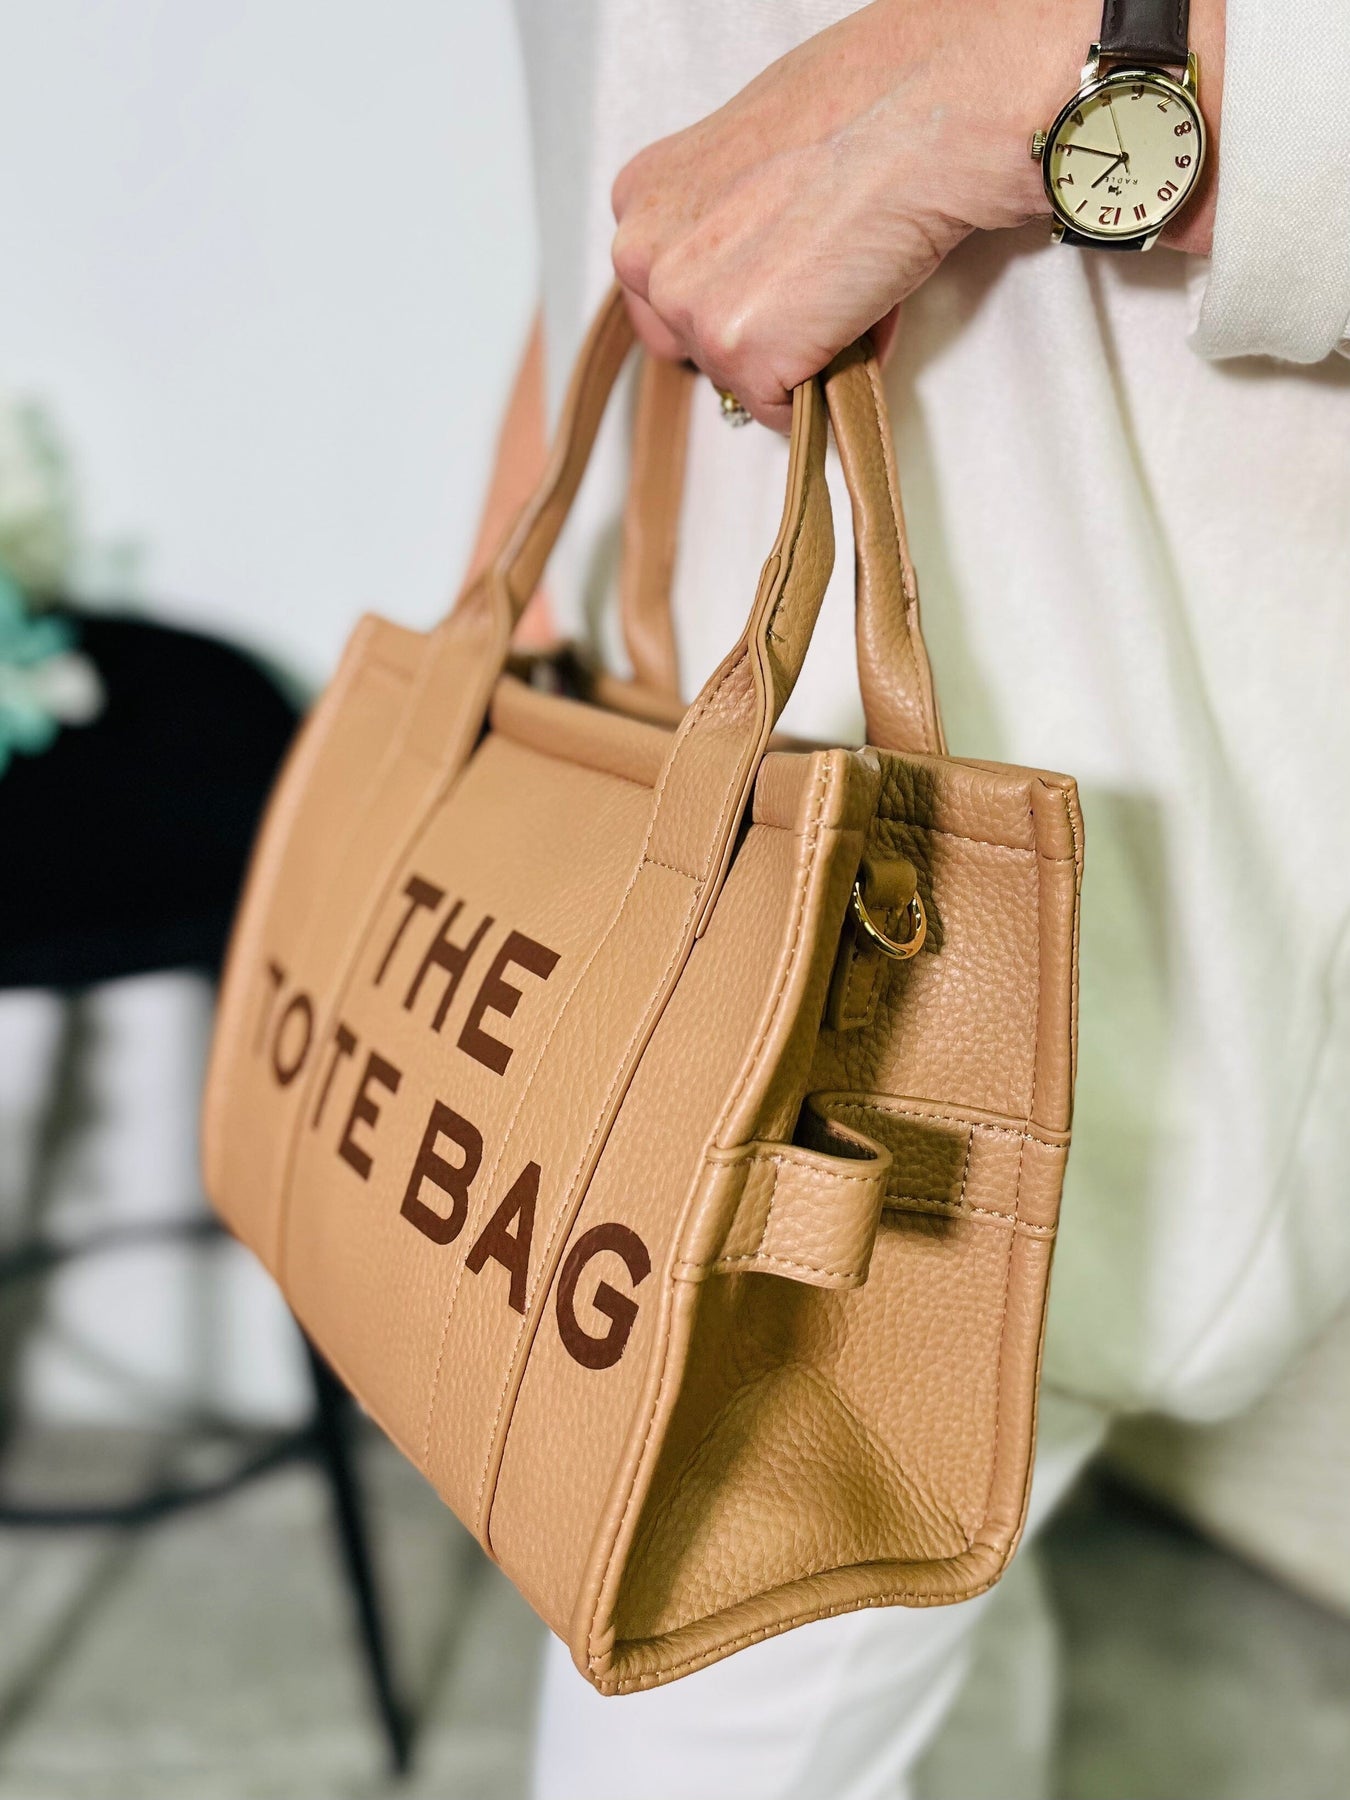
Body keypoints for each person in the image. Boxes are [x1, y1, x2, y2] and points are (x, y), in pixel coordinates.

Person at [507, 2, 1350, 1794]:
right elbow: (623, 132)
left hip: (1053, 915)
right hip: (667, 753)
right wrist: (523, 583)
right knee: (924, 1614)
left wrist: (1023, 78)